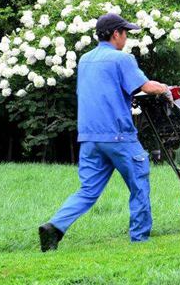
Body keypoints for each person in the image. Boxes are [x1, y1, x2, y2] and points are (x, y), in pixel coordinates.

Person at [38, 13, 171, 251]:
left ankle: (54, 228)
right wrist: (165, 88)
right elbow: (146, 86)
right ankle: (140, 239)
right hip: (118, 135)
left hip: (89, 137)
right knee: (139, 182)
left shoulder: (85, 60)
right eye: (125, 33)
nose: (127, 37)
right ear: (115, 34)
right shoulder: (122, 60)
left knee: (88, 190)